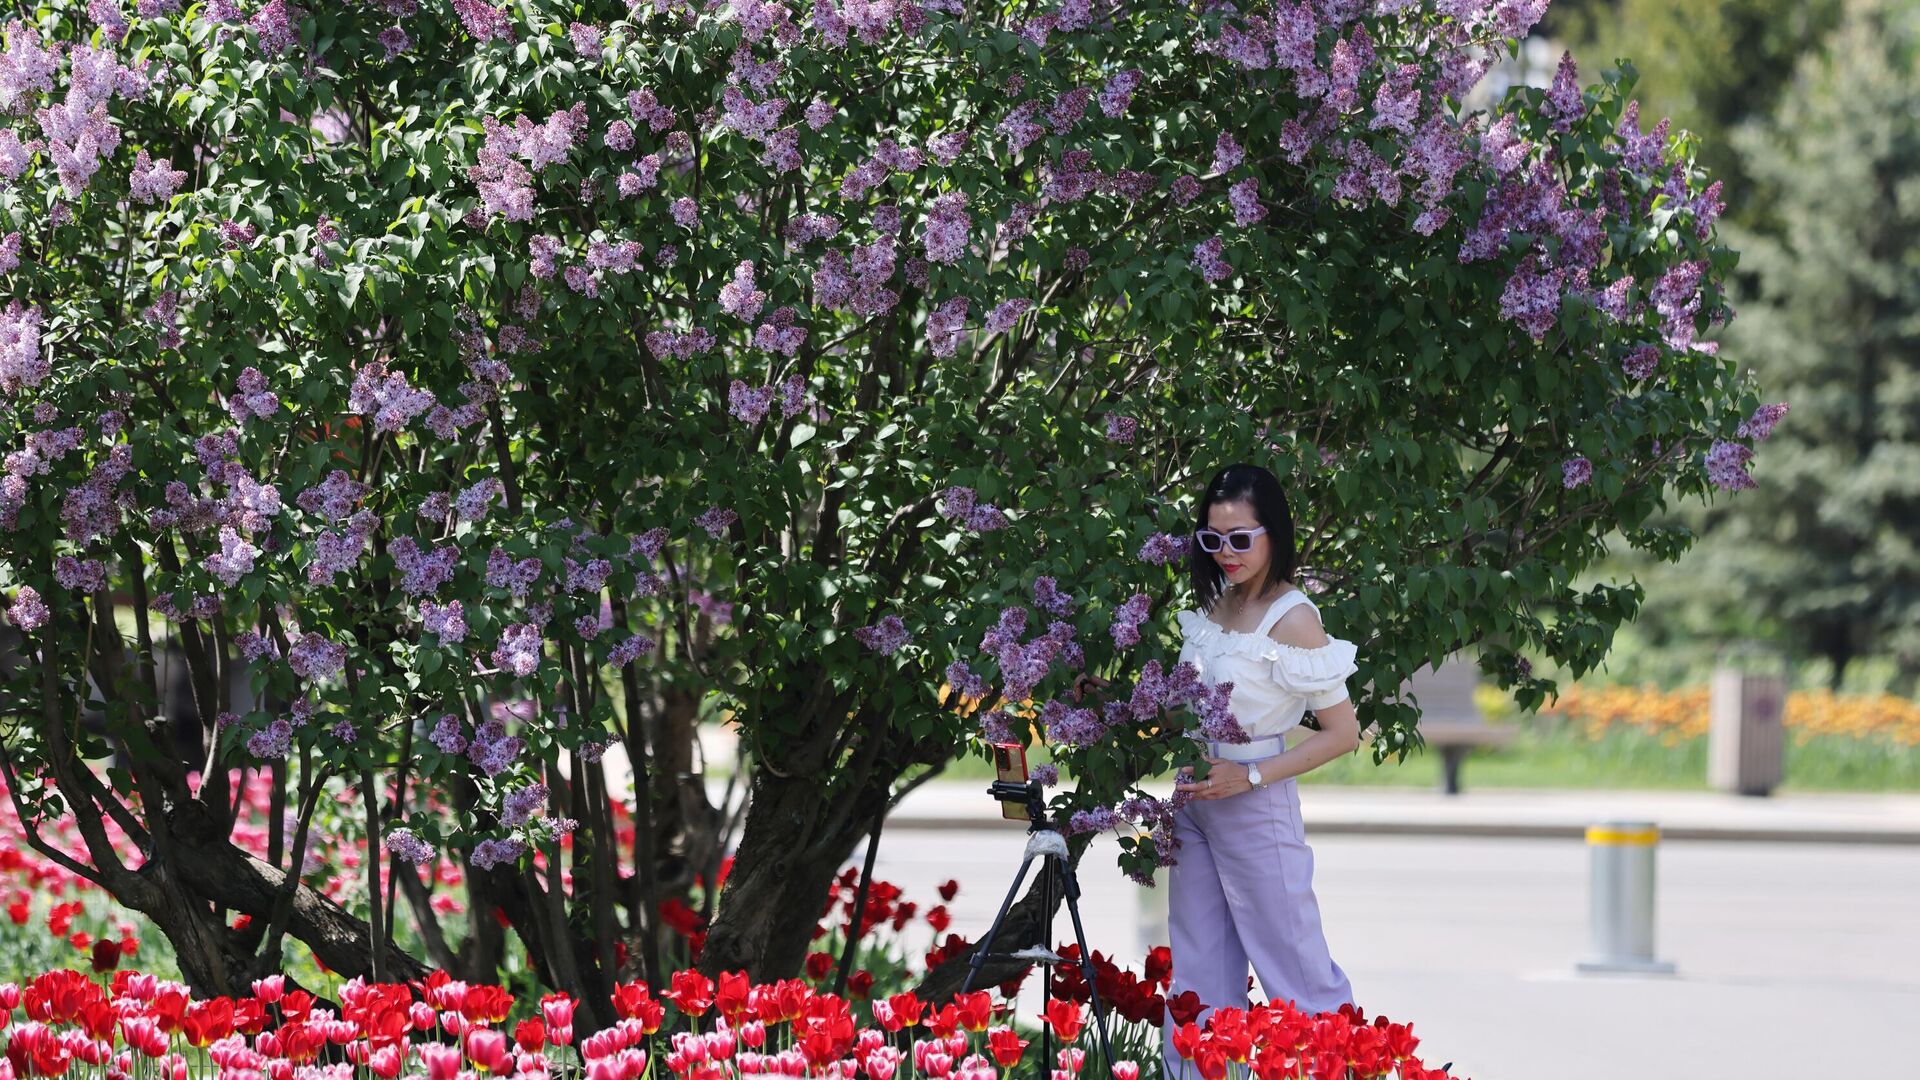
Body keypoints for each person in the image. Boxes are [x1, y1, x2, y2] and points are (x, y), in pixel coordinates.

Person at [1159, 463, 1363, 1077]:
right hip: (1194, 799)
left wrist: (1247, 778)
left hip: (1253, 800)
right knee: (1198, 976)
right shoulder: (1217, 604)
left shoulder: (1293, 617)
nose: (1226, 552)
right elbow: (1194, 708)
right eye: (1212, 539)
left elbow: (1342, 733)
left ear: (1273, 532)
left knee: (1296, 972)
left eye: (1241, 537)